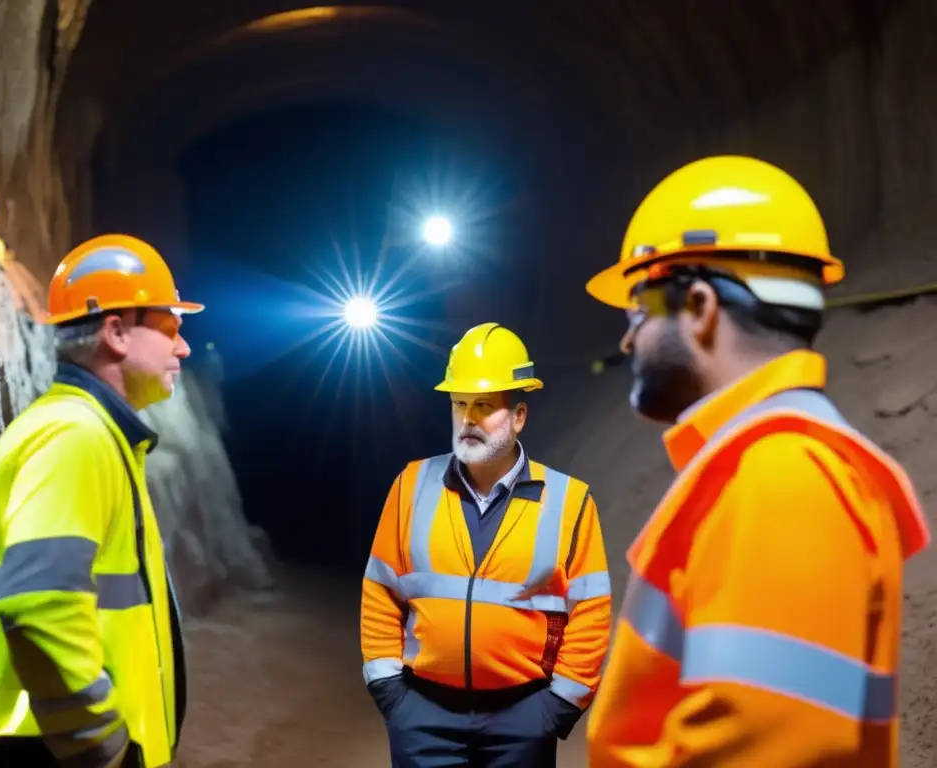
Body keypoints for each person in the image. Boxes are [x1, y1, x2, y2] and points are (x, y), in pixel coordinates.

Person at [583, 155, 931, 766]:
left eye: (639, 310)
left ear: (697, 307)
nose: (627, 339)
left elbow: (760, 748)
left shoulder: (783, 479)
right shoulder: (761, 469)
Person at [0, 233, 203, 767]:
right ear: (116, 332)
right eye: (170, 326)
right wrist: (101, 744)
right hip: (58, 752)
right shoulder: (74, 436)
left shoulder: (96, 433)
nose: (182, 346)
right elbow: (41, 604)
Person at [361, 322, 612, 767]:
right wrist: (390, 692)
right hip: (422, 713)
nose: (468, 419)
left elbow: (590, 612)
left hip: (523, 716)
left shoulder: (569, 500)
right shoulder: (412, 485)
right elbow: (380, 591)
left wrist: (556, 708)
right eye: (459, 405)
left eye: (484, 406)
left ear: (519, 415)